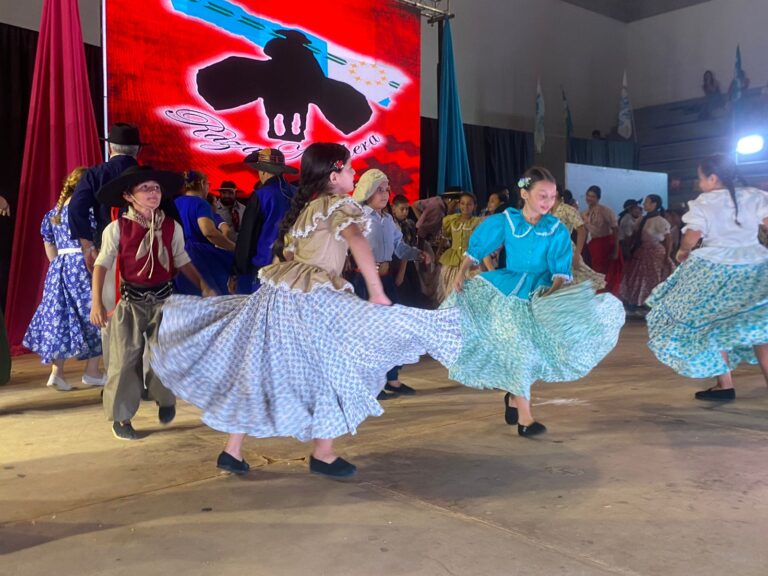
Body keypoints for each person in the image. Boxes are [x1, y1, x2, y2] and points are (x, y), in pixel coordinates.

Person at [149, 143, 462, 478]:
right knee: (331, 370)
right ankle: (323, 453)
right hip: (312, 299)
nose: (354, 174)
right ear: (334, 175)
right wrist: (375, 290)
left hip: (282, 297)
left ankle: (233, 450)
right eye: (349, 169)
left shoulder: (308, 209)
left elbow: (286, 255)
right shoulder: (339, 206)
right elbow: (356, 241)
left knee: (260, 371)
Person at [446, 167, 625, 435]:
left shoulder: (555, 229)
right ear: (524, 193)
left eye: (552, 196)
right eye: (542, 195)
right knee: (519, 351)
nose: (548, 201)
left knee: (532, 354)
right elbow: (479, 247)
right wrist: (461, 273)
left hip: (539, 294)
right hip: (508, 292)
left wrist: (552, 296)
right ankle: (525, 420)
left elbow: (560, 271)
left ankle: (513, 395)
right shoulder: (507, 220)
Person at [90, 166, 214, 440]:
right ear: (129, 196)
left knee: (166, 355)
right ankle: (122, 417)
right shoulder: (117, 228)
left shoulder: (171, 227)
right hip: (131, 302)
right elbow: (102, 264)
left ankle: (163, 396)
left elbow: (181, 260)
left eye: (156, 188)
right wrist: (96, 302)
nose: (153, 193)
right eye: (145, 188)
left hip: (164, 300)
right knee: (124, 362)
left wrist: (203, 285)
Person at [646, 155, 768, 401]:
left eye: (701, 178)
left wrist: (683, 251)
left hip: (714, 267)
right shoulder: (755, 195)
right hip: (754, 265)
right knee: (760, 328)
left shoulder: (705, 201)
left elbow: (693, 235)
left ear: (712, 178)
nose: (700, 183)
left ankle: (725, 385)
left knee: (712, 325)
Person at [350, 169, 430, 398]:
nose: (385, 194)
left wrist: (419, 254)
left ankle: (392, 379)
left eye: (386, 189)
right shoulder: (359, 217)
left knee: (394, 330)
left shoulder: (388, 220)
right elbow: (347, 246)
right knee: (369, 333)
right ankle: (370, 383)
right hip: (365, 281)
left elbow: (400, 247)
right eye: (379, 190)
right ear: (367, 191)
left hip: (386, 281)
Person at [23, 167, 105, 390]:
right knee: (94, 314)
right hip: (82, 265)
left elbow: (48, 242)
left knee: (63, 318)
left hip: (60, 267)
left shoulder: (53, 213)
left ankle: (57, 373)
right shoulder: (85, 212)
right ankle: (92, 371)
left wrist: (58, 264)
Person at [231, 148, 297, 294]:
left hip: (264, 268)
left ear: (262, 171)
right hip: (293, 267)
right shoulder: (296, 193)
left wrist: (237, 271)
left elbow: (247, 237)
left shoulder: (261, 195)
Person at [174, 170, 236, 296]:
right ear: (202, 184)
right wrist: (233, 247)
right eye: (208, 184)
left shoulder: (175, 202)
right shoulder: (200, 203)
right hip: (199, 257)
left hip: (177, 256)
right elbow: (209, 232)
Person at [620, 195, 675, 310]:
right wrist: (628, 247)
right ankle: (636, 302)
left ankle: (653, 304)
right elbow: (634, 235)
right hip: (641, 252)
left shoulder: (660, 221)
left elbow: (668, 239)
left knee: (653, 279)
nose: (644, 205)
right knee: (636, 278)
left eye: (646, 203)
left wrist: (667, 256)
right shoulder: (642, 219)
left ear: (654, 205)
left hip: (655, 254)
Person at [551, 188, 606, 291]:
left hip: (564, 249)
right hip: (548, 249)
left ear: (556, 193)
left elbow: (581, 230)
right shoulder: (545, 210)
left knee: (571, 279)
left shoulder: (568, 210)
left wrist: (577, 254)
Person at [437, 192, 481, 303]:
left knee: (466, 291)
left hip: (469, 261)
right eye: (462, 203)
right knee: (449, 287)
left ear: (474, 206)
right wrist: (438, 252)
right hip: (452, 259)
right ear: (458, 205)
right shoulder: (451, 220)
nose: (465, 207)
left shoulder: (476, 222)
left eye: (469, 204)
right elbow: (445, 237)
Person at [582, 185, 622, 295]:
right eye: (588, 195)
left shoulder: (605, 210)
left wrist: (615, 249)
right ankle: (597, 293)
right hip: (593, 244)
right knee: (593, 270)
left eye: (593, 196)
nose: (589, 198)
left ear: (598, 198)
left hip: (605, 244)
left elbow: (615, 229)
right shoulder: (585, 212)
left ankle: (605, 294)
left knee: (604, 272)